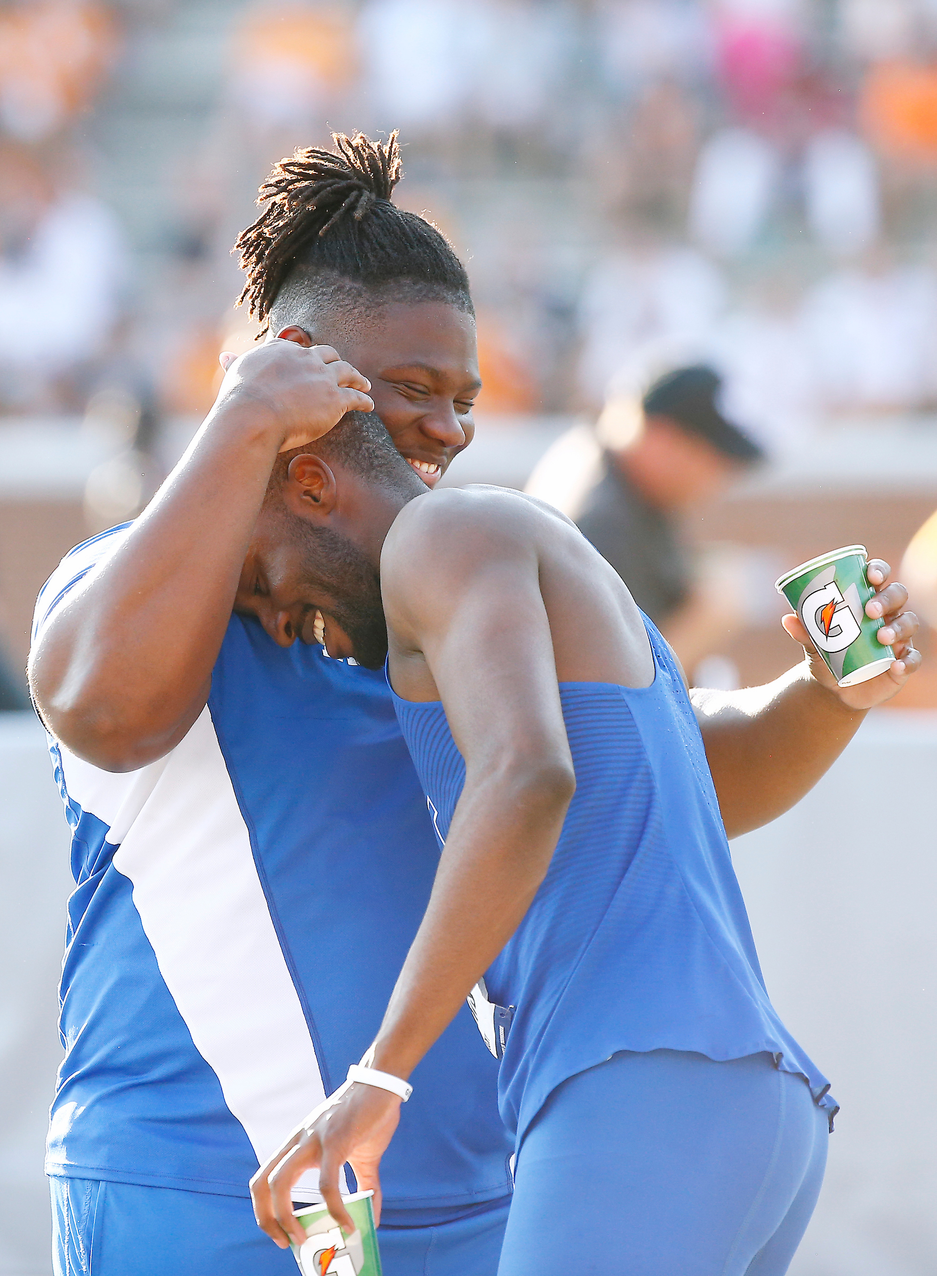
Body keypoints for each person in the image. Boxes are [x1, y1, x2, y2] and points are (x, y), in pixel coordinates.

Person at [29, 131, 918, 1275]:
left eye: (465, 399)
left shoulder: (441, 584)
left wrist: (826, 693)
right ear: (298, 373)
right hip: (202, 1192)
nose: (450, 429)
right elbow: (107, 709)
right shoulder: (129, 578)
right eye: (413, 390)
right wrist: (245, 410)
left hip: (461, 1195)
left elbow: (649, 773)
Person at [245, 412, 919, 1274]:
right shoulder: (531, 563)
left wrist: (379, 1077)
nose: (271, 616)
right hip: (737, 1103)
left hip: (642, 1089)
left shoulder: (441, 532)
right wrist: (829, 695)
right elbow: (700, 770)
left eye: (257, 573)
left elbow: (526, 779)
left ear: (311, 483)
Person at [525, 364, 763, 671]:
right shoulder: (604, 524)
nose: (716, 481)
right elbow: (612, 686)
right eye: (712, 458)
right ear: (663, 438)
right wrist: (704, 621)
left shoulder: (604, 457)